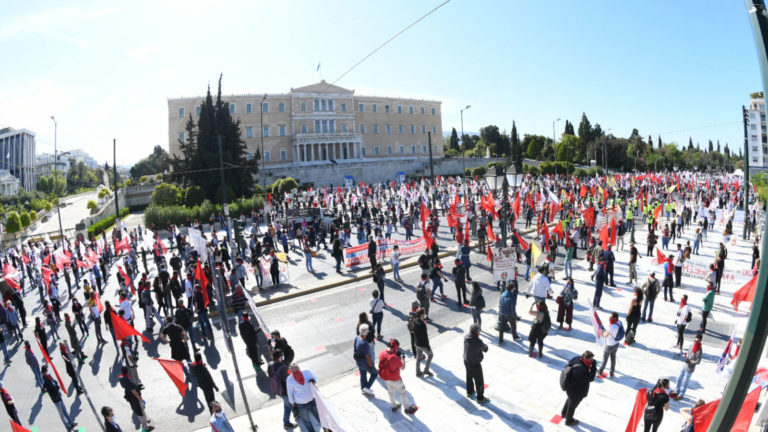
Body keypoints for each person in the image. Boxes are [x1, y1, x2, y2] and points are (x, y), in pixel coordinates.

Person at [378, 338, 418, 414]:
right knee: (402, 392)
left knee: (391, 392)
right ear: (396, 347)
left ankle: (394, 406)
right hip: (395, 379)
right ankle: (406, 408)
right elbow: (402, 368)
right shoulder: (395, 358)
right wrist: (402, 358)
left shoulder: (382, 353)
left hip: (386, 377)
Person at [561, 350, 597, 426]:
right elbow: (591, 378)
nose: (592, 361)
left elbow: (570, 364)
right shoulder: (581, 370)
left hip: (570, 387)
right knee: (572, 406)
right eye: (591, 360)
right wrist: (593, 367)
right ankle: (569, 421)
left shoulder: (577, 358)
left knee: (569, 400)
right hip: (576, 392)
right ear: (585, 359)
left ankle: (564, 413)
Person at [286, 363, 322, 432]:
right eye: (295, 372)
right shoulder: (290, 379)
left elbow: (315, 379)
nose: (296, 373)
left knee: (317, 418)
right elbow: (289, 392)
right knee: (309, 420)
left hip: (309, 401)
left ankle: (327, 429)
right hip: (303, 403)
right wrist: (292, 402)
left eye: (297, 371)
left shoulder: (305, 372)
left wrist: (313, 380)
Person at [268, 349, 298, 430]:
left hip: (277, 391)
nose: (283, 358)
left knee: (287, 406)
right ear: (279, 358)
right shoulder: (284, 367)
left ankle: (286, 423)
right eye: (282, 356)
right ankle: (300, 422)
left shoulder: (270, 365)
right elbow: (290, 379)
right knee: (295, 409)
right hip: (286, 392)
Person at [42, 364, 78, 430]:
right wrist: (56, 386)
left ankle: (71, 422)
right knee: (61, 414)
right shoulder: (45, 380)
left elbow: (54, 382)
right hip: (55, 398)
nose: (48, 371)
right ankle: (67, 426)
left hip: (58, 395)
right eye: (47, 370)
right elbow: (52, 387)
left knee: (64, 410)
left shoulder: (49, 376)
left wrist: (56, 383)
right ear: (45, 371)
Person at [119, 365, 153, 431]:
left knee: (142, 410)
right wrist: (141, 399)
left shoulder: (122, 379)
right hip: (135, 400)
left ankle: (146, 419)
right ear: (127, 372)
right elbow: (134, 392)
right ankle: (145, 428)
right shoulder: (127, 381)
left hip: (131, 399)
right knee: (140, 412)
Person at [670, 334, 703, 400]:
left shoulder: (699, 350)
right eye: (695, 340)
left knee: (686, 381)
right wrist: (687, 355)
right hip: (685, 365)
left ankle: (681, 394)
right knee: (679, 378)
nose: (695, 342)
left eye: (697, 341)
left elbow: (698, 361)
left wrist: (691, 361)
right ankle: (677, 391)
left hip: (690, 368)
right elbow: (688, 352)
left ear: (700, 341)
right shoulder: (692, 344)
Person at [464, 323, 490, 404]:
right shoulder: (478, 341)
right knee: (479, 381)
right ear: (477, 332)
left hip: (466, 360)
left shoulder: (466, 336)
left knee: (469, 376)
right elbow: (485, 349)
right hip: (475, 363)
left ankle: (470, 392)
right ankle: (480, 398)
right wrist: (484, 344)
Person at [354, 323, 378, 396]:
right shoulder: (365, 343)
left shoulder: (356, 338)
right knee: (375, 373)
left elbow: (355, 349)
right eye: (367, 331)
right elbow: (368, 357)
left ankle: (363, 387)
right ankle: (367, 387)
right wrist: (371, 365)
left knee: (363, 374)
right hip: (365, 362)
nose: (368, 332)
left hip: (358, 361)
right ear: (366, 333)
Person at [598, 312, 622, 378]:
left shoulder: (613, 327)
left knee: (605, 359)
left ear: (615, 318)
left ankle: (600, 371)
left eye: (611, 317)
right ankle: (612, 373)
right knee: (613, 358)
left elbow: (605, 335)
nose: (610, 318)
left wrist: (604, 332)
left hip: (609, 345)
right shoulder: (619, 323)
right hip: (616, 344)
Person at [412, 308, 433, 377]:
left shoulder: (414, 321)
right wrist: (428, 346)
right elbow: (425, 337)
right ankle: (426, 370)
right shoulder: (422, 325)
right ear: (421, 315)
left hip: (416, 343)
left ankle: (418, 372)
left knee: (419, 357)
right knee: (430, 355)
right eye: (423, 314)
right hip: (422, 344)